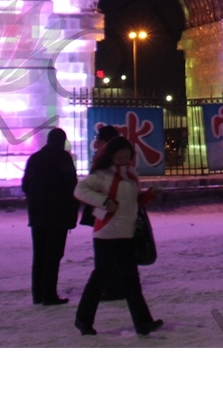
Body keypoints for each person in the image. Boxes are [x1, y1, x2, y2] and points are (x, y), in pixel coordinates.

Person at [73, 136, 163, 337]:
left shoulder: (131, 175)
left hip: (127, 233)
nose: (123, 158)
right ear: (111, 155)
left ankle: (143, 323)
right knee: (100, 279)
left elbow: (135, 202)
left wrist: (150, 195)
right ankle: (83, 320)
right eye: (119, 155)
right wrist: (104, 202)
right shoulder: (101, 175)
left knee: (131, 280)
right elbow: (79, 190)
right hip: (106, 234)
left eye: (126, 155)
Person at [21, 128, 79, 306]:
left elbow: (25, 185)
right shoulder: (64, 158)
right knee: (53, 255)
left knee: (39, 255)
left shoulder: (35, 158)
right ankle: (49, 294)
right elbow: (72, 185)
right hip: (58, 215)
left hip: (38, 214)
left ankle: (37, 294)